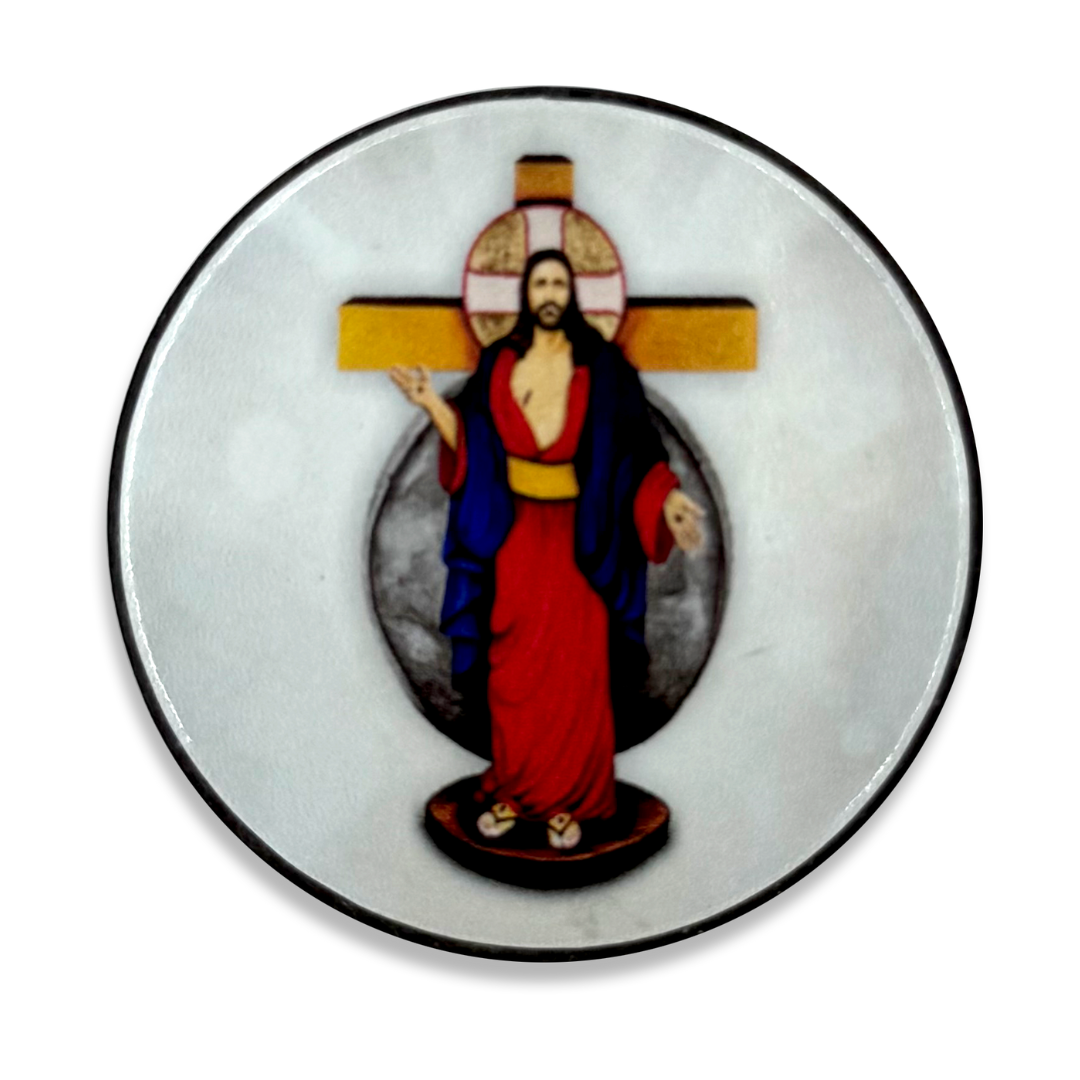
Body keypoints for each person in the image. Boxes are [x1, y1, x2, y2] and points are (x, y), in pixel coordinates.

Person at [390, 250, 703, 850]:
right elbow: (475, 445)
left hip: (580, 539)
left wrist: (665, 499)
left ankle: (574, 802)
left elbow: (637, 450)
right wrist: (431, 403)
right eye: (540, 282)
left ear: (574, 293)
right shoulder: (500, 364)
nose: (551, 293)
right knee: (513, 669)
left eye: (560, 282)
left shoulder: (603, 369)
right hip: (515, 536)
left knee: (576, 674)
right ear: (527, 294)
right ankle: (513, 791)